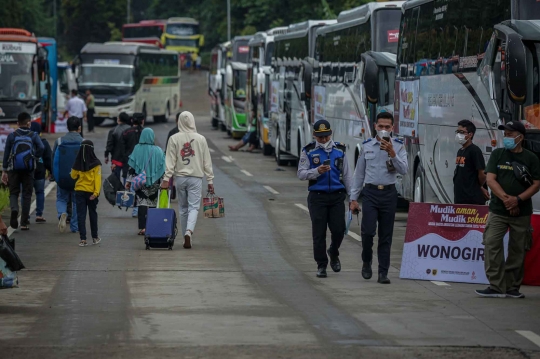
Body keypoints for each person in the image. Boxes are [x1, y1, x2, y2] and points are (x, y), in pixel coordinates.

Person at [476, 121, 540, 298]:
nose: (507, 138)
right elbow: (490, 180)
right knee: (491, 244)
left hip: (522, 212)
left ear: (521, 137)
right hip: (498, 210)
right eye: (506, 134)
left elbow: (536, 184)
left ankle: (512, 287)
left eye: (511, 134)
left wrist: (518, 200)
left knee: (518, 249)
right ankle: (496, 286)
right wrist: (507, 200)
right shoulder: (498, 154)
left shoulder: (531, 158)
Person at [349, 112, 408, 284]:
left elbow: (404, 170)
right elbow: (359, 174)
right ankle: (366, 261)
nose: (383, 130)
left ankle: (383, 272)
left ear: (392, 128)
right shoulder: (367, 145)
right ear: (375, 126)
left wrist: (392, 153)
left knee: (386, 235)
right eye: (380, 126)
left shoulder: (398, 146)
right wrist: (353, 198)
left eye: (387, 127)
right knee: (367, 232)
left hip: (389, 194)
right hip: (370, 193)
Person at [297, 120, 351, 278]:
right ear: (314, 135)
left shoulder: (340, 150)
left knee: (339, 229)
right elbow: (301, 173)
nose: (324, 140)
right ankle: (321, 265)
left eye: (326, 136)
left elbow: (347, 176)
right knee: (319, 233)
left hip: (336, 196)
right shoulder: (308, 150)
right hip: (317, 197)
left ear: (331, 133)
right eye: (320, 137)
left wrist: (353, 197)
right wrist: (317, 171)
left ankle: (333, 252)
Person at [162, 111, 214, 249]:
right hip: (196, 178)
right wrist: (210, 180)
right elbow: (206, 162)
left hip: (180, 178)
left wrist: (167, 178)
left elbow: (170, 160)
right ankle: (189, 232)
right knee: (194, 207)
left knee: (183, 208)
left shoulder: (174, 138)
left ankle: (185, 234)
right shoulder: (201, 139)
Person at [1, 113, 44, 230]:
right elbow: (41, 148)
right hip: (29, 169)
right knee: (27, 194)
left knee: (14, 192)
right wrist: (34, 157)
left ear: (17, 123)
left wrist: (4, 170)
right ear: (29, 122)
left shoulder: (12, 136)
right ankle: (24, 222)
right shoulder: (33, 135)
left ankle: (14, 209)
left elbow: (6, 154)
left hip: (13, 168)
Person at [126, 128, 165, 235]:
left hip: (140, 182)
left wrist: (129, 181)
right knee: (153, 204)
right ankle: (152, 226)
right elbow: (162, 167)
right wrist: (164, 182)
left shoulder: (137, 148)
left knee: (141, 203)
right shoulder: (158, 150)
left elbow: (132, 166)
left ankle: (143, 228)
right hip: (155, 182)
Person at [52, 117, 83, 233]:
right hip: (78, 179)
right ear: (79, 128)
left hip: (62, 177)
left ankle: (62, 213)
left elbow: (53, 159)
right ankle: (75, 227)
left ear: (67, 127)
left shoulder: (59, 141)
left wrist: (53, 175)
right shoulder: (84, 142)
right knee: (76, 201)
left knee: (61, 198)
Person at [71, 140, 102, 247]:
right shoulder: (96, 163)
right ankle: (95, 237)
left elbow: (73, 176)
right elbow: (97, 180)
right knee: (93, 214)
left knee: (81, 215)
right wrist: (96, 193)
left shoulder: (77, 162)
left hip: (79, 191)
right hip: (91, 193)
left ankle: (83, 239)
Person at [453, 119, 489, 205]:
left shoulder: (475, 151)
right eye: (457, 131)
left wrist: (477, 186)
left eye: (462, 132)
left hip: (471, 199)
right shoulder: (460, 151)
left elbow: (482, 174)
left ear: (470, 134)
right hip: (460, 197)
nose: (458, 134)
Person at [121, 113, 145, 217]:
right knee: (142, 188)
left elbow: (122, 149)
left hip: (129, 163)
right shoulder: (145, 133)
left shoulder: (126, 132)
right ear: (142, 121)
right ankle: (140, 210)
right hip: (143, 164)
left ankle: (135, 210)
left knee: (131, 187)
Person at [29, 121, 52, 223]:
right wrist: (51, 171)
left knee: (26, 194)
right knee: (39, 192)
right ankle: (39, 214)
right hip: (40, 171)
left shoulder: (25, 140)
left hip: (27, 172)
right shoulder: (44, 142)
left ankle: (25, 217)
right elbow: (48, 159)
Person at [105, 112, 131, 180]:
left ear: (119, 119)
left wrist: (106, 155)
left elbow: (109, 145)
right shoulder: (131, 130)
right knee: (127, 178)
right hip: (128, 159)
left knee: (115, 179)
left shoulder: (113, 131)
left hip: (116, 159)